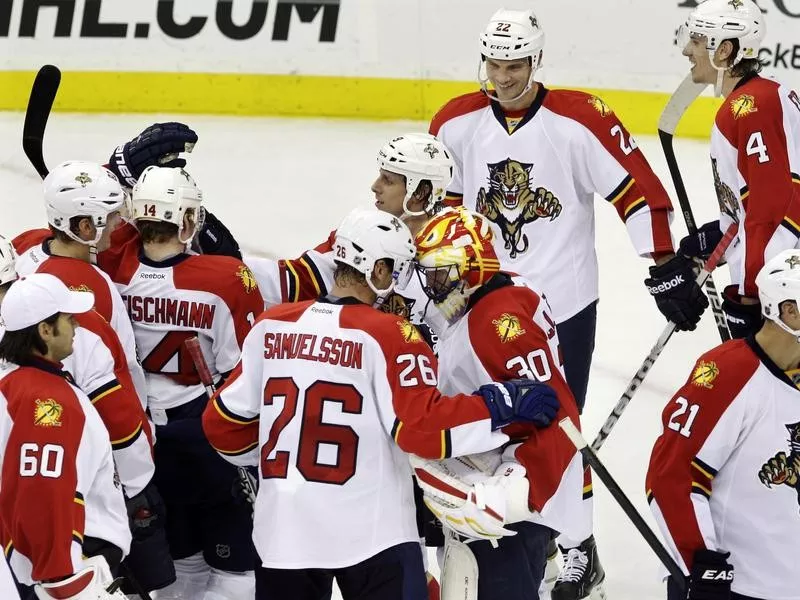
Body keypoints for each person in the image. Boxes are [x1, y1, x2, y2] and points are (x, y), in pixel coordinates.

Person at [201, 208, 561, 600]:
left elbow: (221, 423)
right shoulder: (391, 334)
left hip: (283, 531)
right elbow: (424, 430)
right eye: (398, 270)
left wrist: (273, 463)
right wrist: (500, 403)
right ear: (378, 270)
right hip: (372, 535)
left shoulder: (271, 327)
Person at [98, 165, 265, 600]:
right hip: (203, 426)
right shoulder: (225, 278)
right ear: (187, 221)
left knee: (181, 558)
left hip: (137, 431)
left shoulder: (112, 274)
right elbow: (243, 371)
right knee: (238, 566)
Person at [10, 163, 173, 595]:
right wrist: (139, 478)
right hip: (92, 484)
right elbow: (119, 390)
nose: (120, 225)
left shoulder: (25, 245)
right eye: (109, 217)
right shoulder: (92, 296)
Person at [411, 207, 585, 599]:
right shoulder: (500, 289)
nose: (433, 285)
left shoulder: (498, 322)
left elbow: (553, 411)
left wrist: (522, 491)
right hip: (492, 474)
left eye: (441, 273)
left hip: (511, 488)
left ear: (471, 268)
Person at [646, 248, 800, 600]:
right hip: (736, 587)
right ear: (788, 311)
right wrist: (703, 566)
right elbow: (672, 475)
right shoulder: (728, 373)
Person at [0, 273, 131, 599]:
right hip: (69, 560)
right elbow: (45, 495)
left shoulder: (12, 383)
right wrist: (65, 584)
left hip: (32, 559)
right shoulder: (50, 403)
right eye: (68, 319)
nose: (75, 326)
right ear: (45, 330)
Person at [675, 0, 800, 339]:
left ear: (724, 49)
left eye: (698, 41)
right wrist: (719, 236)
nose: (688, 50)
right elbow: (754, 206)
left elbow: (774, 208)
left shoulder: (750, 108)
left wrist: (750, 291)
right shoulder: (763, 95)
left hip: (781, 290)